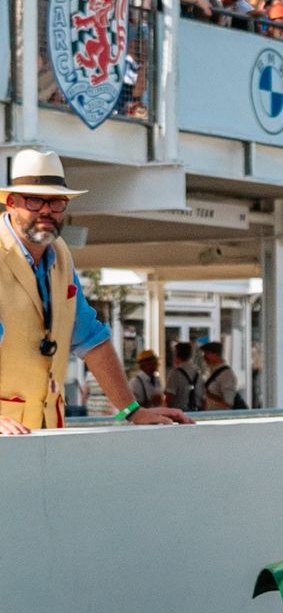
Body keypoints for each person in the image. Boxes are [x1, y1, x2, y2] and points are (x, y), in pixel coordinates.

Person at [0, 153, 191, 433]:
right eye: (34, 201)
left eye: (55, 202)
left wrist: (132, 410)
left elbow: (91, 339)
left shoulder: (60, 255)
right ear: (11, 203)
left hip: (45, 432)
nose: (45, 211)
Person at [198, 342, 242, 411]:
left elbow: (228, 402)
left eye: (207, 354)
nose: (204, 358)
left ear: (215, 354)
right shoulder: (211, 372)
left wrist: (210, 395)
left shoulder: (226, 375)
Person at [164, 341, 202, 412]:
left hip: (179, 412)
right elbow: (203, 398)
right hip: (196, 411)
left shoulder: (175, 373)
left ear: (176, 354)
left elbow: (170, 396)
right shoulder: (198, 373)